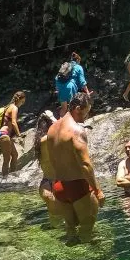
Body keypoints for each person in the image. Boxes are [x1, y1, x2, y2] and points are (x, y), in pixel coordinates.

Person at [45, 93, 104, 242]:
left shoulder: (52, 129)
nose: (86, 116)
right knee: (86, 229)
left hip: (59, 187)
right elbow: (85, 164)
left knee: (70, 231)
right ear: (78, 108)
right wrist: (97, 190)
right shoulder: (76, 130)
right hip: (78, 186)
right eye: (86, 111)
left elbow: (52, 160)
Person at [34, 110, 62, 226]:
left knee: (55, 221)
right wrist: (52, 117)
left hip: (45, 184)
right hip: (54, 185)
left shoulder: (39, 142)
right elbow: (62, 126)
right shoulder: (48, 139)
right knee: (63, 223)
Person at [0, 91, 26, 176]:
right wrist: (19, 135)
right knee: (7, 158)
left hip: (3, 134)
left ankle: (12, 176)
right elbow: (13, 122)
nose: (22, 104)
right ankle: (4, 179)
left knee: (15, 155)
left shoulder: (8, 106)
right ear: (19, 99)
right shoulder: (14, 108)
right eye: (22, 101)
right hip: (4, 135)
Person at [55, 52, 90, 117]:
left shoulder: (66, 66)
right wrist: (87, 92)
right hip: (70, 87)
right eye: (79, 61)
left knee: (64, 108)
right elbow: (82, 82)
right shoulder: (78, 67)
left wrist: (57, 89)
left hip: (60, 86)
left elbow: (57, 77)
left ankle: (60, 124)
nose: (79, 63)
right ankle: (72, 123)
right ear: (77, 60)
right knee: (73, 108)